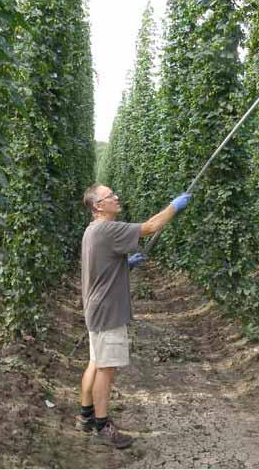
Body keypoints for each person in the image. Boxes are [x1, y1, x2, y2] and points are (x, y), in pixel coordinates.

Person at [76, 183, 192, 449]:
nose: (116, 197)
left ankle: (85, 416)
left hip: (96, 308)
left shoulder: (92, 231)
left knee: (96, 361)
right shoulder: (107, 228)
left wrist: (124, 265)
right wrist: (174, 206)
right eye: (110, 196)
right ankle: (103, 425)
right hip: (108, 312)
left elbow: (100, 267)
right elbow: (150, 226)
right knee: (106, 369)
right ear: (98, 206)